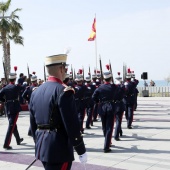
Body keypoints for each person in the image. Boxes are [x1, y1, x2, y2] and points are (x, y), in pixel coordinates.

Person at [29, 54, 87, 170]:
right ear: (61, 69)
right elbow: (71, 125)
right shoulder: (64, 91)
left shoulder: (36, 92)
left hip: (42, 147)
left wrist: (40, 142)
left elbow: (33, 124)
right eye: (65, 68)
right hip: (59, 149)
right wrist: (81, 149)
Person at [92, 71, 118, 153]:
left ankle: (107, 140)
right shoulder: (114, 87)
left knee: (104, 126)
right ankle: (106, 146)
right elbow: (119, 93)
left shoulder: (100, 87)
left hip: (102, 107)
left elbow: (93, 97)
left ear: (104, 78)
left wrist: (98, 101)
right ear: (110, 78)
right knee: (109, 127)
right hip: (111, 106)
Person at [0, 73, 23, 149]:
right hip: (14, 107)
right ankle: (6, 144)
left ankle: (18, 139)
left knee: (13, 124)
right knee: (11, 125)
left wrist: (4, 100)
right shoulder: (16, 87)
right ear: (15, 79)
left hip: (8, 107)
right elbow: (22, 88)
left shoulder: (5, 88)